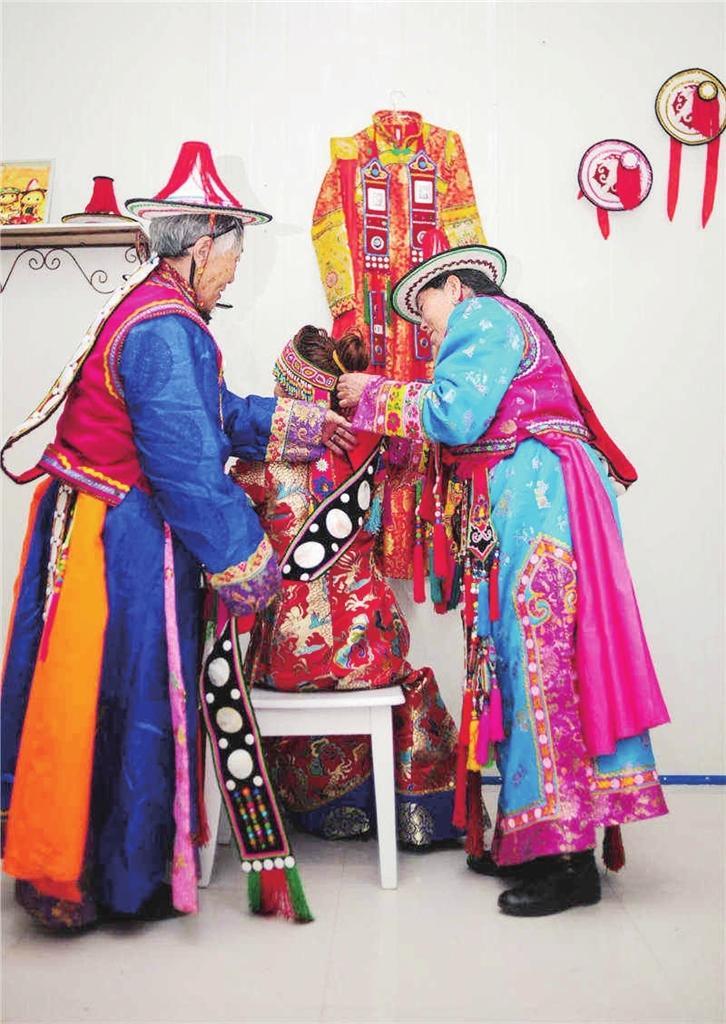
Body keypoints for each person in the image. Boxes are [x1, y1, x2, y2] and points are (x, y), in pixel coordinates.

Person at [0, 141, 354, 931]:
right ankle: (109, 878)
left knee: (95, 695)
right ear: (200, 248)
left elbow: (209, 411)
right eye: (233, 258)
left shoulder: (154, 307)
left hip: (97, 519)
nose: (233, 274)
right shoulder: (167, 328)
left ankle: (81, 864)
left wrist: (300, 423)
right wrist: (253, 568)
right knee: (124, 694)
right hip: (120, 541)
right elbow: (188, 468)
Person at [337, 231, 670, 916]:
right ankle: (539, 840)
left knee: (539, 667)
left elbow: (454, 415)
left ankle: (566, 861)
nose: (425, 329)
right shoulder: (507, 324)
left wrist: (372, 394)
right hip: (534, 501)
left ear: (455, 287)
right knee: (526, 667)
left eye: (424, 309)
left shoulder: (483, 314)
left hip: (537, 504)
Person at [230, 325, 470, 850]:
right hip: (369, 646)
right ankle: (417, 812)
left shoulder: (259, 463)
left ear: (295, 394)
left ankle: (328, 806)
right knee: (408, 685)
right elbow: (417, 452)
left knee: (293, 678)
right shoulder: (375, 448)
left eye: (280, 386)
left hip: (288, 654)